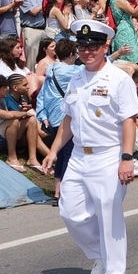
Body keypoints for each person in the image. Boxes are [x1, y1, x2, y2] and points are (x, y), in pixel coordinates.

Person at [42, 19, 138, 274]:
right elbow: (68, 120)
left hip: (108, 155)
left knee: (109, 217)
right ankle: (99, 256)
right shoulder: (76, 77)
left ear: (105, 46)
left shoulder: (119, 79)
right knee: (70, 212)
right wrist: (53, 151)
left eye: (93, 46)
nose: (87, 51)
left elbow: (129, 121)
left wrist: (126, 158)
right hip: (78, 155)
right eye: (82, 46)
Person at [36, 38, 78, 202]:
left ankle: (57, 192)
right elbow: (96, 68)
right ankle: (64, 193)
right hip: (66, 119)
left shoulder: (51, 69)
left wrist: (43, 116)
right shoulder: (73, 71)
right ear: (71, 54)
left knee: (61, 156)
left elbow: (41, 96)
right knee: (68, 156)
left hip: (52, 119)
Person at [0, 36, 39, 100]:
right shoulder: (1, 63)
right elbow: (8, 78)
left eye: (20, 47)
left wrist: (30, 75)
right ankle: (34, 102)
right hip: (11, 87)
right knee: (31, 78)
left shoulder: (17, 62)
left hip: (22, 84)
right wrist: (27, 77)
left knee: (40, 79)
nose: (21, 50)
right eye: (18, 48)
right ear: (9, 49)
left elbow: (28, 72)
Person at [20, 0, 48, 70]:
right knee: (32, 58)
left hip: (43, 29)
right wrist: (45, 3)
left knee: (43, 56)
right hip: (31, 30)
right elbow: (33, 11)